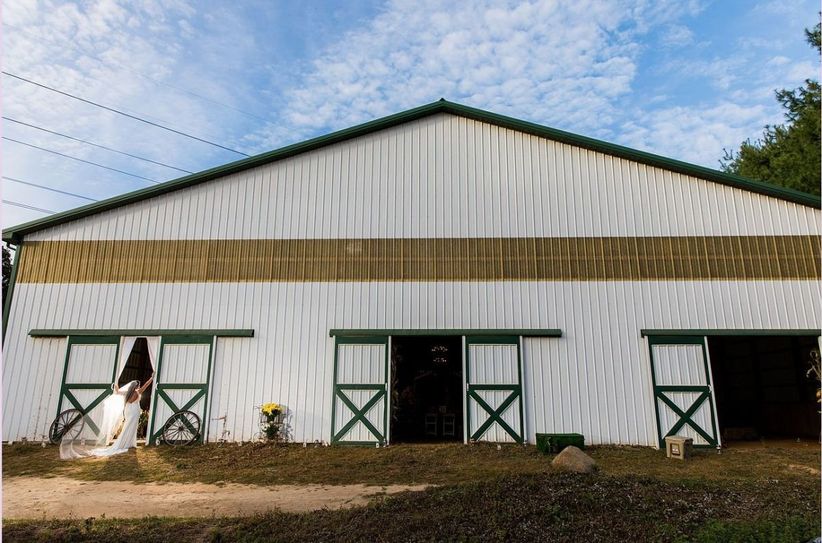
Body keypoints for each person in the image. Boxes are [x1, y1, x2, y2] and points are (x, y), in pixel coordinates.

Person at [89, 374, 154, 457]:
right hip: (134, 411)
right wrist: (151, 378)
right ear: (136, 386)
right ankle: (127, 443)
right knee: (131, 426)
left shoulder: (127, 393)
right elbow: (146, 385)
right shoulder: (138, 392)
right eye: (138, 385)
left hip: (128, 411)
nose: (139, 386)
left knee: (128, 426)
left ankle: (127, 442)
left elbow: (118, 391)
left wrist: (116, 383)